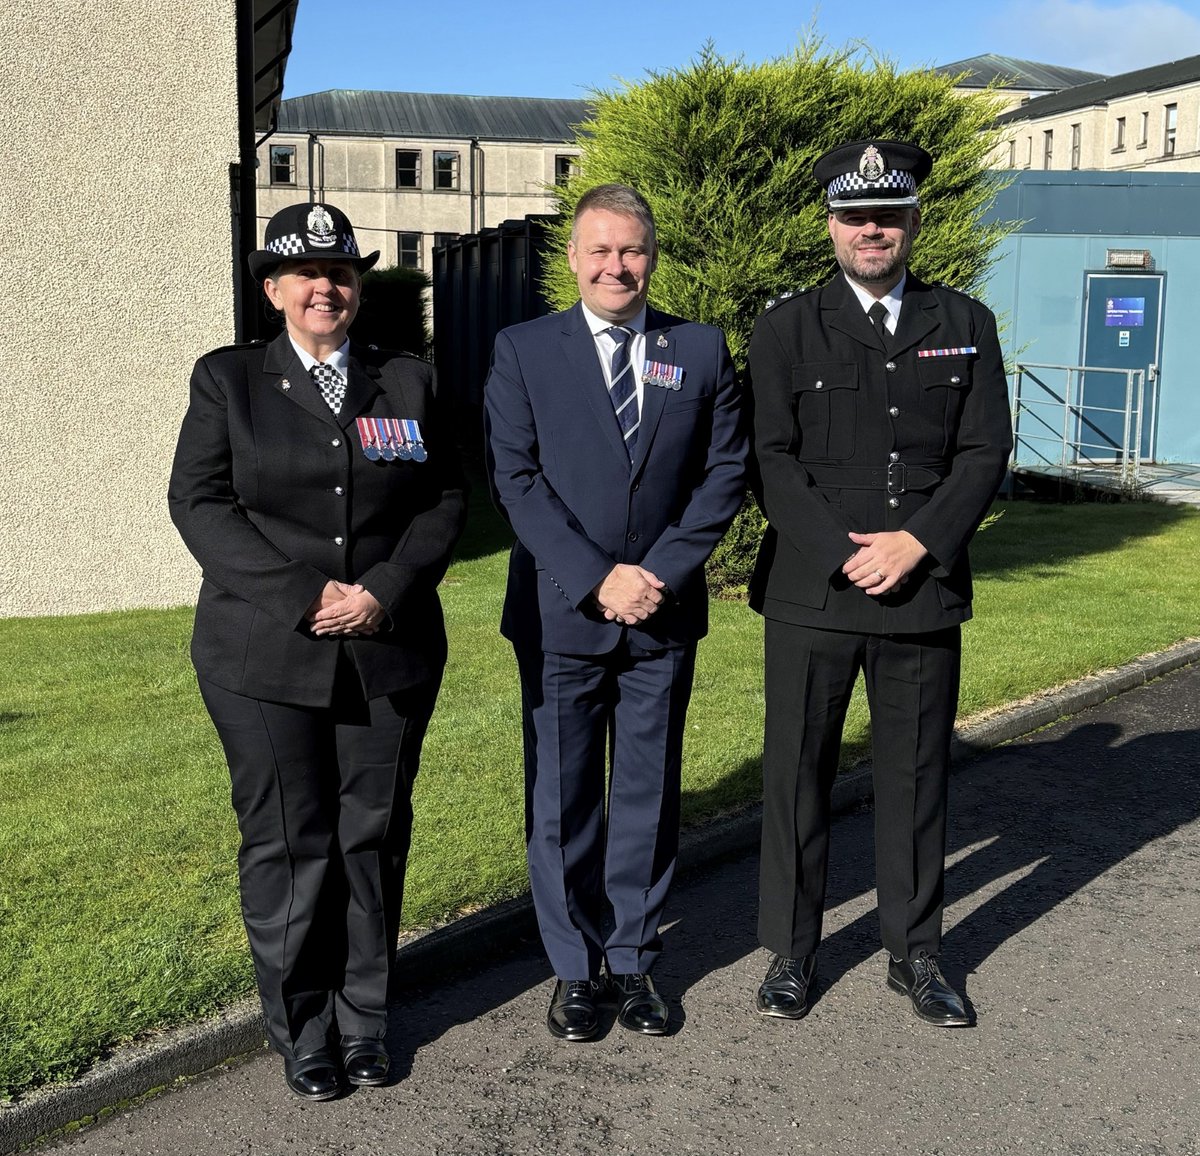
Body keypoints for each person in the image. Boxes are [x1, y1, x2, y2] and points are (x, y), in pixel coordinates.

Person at [169, 202, 466, 1098]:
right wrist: (307, 597)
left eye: (340, 271)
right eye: (306, 273)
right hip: (263, 656)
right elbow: (201, 504)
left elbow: (445, 499)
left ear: (358, 285)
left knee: (371, 838)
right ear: (274, 290)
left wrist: (385, 590)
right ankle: (302, 1028)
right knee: (289, 843)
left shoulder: (407, 380)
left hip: (387, 647)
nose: (324, 286)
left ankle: (365, 1018)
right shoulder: (230, 380)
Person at [748, 140, 1013, 1027]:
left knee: (916, 775)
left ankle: (918, 952)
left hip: (922, 588)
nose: (873, 231)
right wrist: (842, 551)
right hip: (815, 592)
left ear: (911, 223)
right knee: (795, 777)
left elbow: (985, 452)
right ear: (831, 224)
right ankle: (791, 952)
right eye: (857, 217)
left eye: (889, 217)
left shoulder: (964, 322)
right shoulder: (787, 327)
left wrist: (917, 544)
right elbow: (771, 459)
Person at [484, 184, 746, 1040]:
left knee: (646, 790)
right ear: (572, 258)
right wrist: (598, 579)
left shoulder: (699, 349)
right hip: (564, 612)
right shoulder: (525, 350)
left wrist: (657, 575)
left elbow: (723, 475)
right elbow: (515, 480)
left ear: (653, 255)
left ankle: (632, 960)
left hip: (662, 614)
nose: (615, 266)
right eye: (599, 250)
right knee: (561, 797)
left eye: (631, 250)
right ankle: (572, 969)